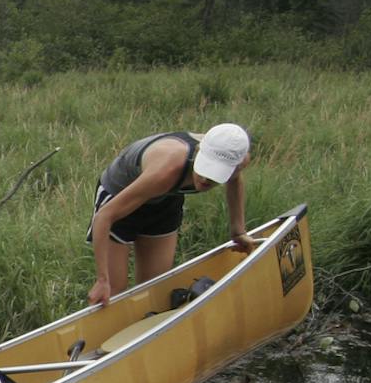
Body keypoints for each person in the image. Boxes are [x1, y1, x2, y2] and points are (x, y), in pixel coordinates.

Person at [86, 124, 253, 306]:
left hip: (165, 199)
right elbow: (104, 217)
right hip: (121, 196)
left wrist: (238, 230)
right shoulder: (168, 168)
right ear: (198, 151)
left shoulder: (239, 161)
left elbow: (235, 179)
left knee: (153, 288)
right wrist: (103, 279)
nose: (206, 179)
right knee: (114, 289)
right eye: (205, 167)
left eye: (215, 174)